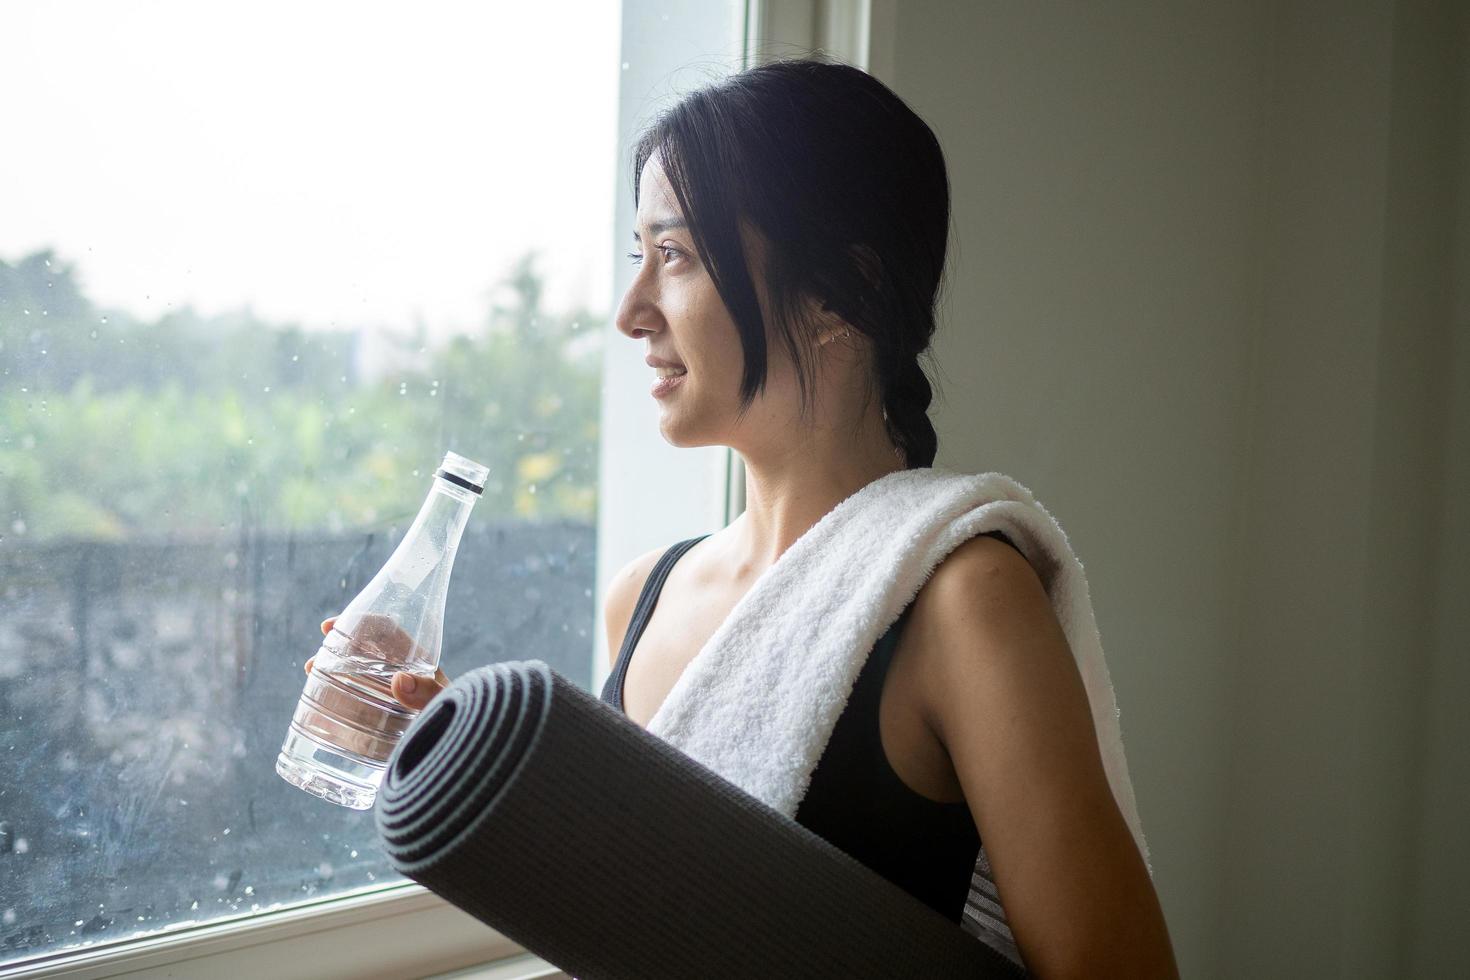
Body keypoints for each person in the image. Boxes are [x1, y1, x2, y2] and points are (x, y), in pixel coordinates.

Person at [315, 57, 1178, 979]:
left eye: (676, 255)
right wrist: (443, 739)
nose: (629, 311)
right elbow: (660, 902)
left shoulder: (967, 606)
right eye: (636, 255)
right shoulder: (640, 598)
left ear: (839, 294)